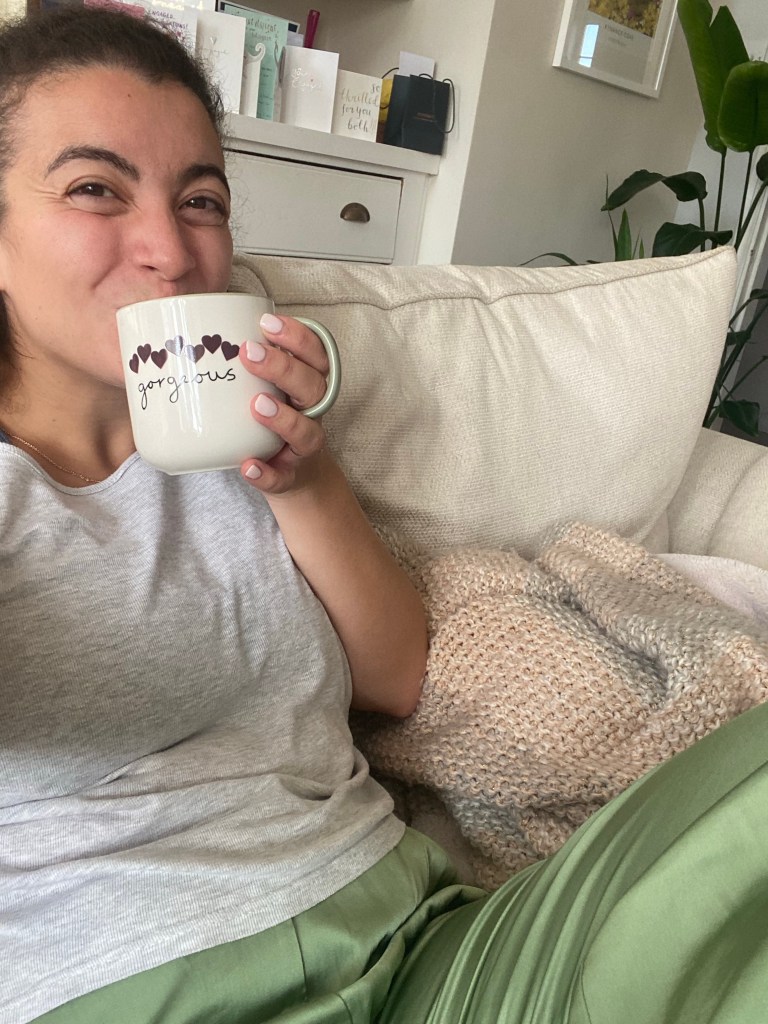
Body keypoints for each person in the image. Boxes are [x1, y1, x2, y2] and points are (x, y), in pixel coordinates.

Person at [0, 7, 766, 1024]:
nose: (168, 250)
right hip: (149, 980)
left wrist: (305, 482)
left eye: (202, 200)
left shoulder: (245, 441)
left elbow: (398, 674)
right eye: (95, 188)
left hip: (424, 938)